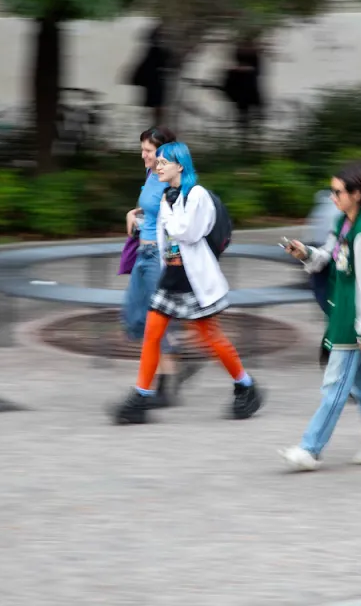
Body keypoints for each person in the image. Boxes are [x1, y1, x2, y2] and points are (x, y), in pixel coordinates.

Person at [109, 142, 261, 425]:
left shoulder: (196, 195)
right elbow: (169, 240)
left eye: (165, 161)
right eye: (159, 161)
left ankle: (246, 386)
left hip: (194, 281)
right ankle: (140, 397)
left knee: (210, 338)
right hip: (172, 276)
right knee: (152, 334)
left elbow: (187, 232)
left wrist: (166, 208)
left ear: (181, 165)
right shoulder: (172, 195)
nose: (159, 165)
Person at [279, 162, 361, 472]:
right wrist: (305, 253)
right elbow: (329, 255)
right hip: (343, 315)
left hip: (354, 322)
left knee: (335, 386)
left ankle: (310, 449)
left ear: (356, 194)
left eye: (337, 192)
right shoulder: (344, 223)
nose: (332, 196)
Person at [122, 126, 202, 407]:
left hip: (159, 256)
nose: (143, 155)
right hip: (143, 253)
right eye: (142, 149)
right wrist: (134, 213)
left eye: (148, 151)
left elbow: (179, 218)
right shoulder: (151, 173)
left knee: (156, 321)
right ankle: (180, 361)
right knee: (134, 317)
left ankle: (165, 385)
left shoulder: (173, 181)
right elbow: (150, 208)